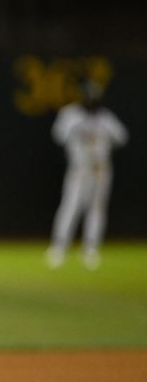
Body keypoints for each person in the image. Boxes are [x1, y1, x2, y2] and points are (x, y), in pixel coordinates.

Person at [46, 80, 129, 270]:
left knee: (97, 209)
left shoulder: (105, 118)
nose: (92, 101)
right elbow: (58, 135)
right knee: (71, 205)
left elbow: (122, 136)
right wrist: (79, 128)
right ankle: (59, 246)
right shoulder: (71, 114)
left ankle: (91, 248)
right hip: (80, 169)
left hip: (100, 169)